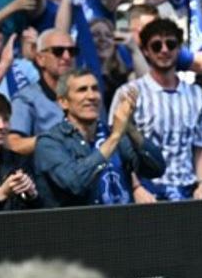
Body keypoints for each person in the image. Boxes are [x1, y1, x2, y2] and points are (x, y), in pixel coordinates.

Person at [111, 19, 202, 201]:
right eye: (156, 46)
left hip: (188, 190)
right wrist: (136, 187)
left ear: (179, 49)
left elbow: (201, 146)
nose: (164, 50)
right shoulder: (128, 92)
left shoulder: (197, 94)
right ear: (145, 51)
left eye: (171, 44)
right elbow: (118, 144)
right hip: (148, 190)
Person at [34, 69, 165, 208]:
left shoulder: (113, 133)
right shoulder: (49, 142)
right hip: (81, 226)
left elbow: (156, 169)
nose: (91, 96)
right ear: (63, 102)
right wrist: (114, 137)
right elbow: (74, 183)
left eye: (95, 89)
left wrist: (130, 129)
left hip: (125, 224)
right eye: (82, 90)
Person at [8, 29, 76, 156]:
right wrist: (54, 140)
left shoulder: (87, 94)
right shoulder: (26, 99)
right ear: (40, 59)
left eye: (72, 51)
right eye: (58, 51)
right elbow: (13, 144)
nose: (67, 57)